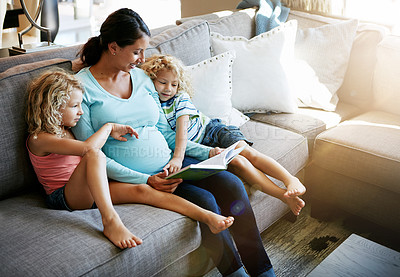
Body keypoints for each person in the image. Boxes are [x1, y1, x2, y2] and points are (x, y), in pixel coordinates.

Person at [73, 8, 276, 277]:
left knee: (231, 183)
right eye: (136, 52)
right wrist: (146, 180)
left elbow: (164, 133)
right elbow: (91, 154)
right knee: (205, 201)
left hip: (171, 163)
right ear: (112, 47)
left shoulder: (142, 78)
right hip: (139, 178)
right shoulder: (80, 88)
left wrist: (204, 153)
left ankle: (263, 271)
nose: (143, 59)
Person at [25, 70, 234, 250]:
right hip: (64, 197)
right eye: (74, 106)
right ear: (52, 106)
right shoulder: (39, 139)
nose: (80, 111)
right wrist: (108, 127)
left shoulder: (67, 130)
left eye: (81, 105)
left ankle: (207, 217)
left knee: (143, 190)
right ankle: (111, 221)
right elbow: (89, 149)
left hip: (89, 187)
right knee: (95, 154)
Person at [141, 54, 306, 216]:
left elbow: (181, 132)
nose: (168, 88)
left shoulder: (181, 99)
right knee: (239, 163)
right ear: (151, 80)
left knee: (247, 152)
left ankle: (290, 179)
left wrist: (178, 156)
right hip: (203, 147)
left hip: (213, 131)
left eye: (174, 84)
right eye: (162, 82)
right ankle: (283, 196)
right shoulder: (152, 107)